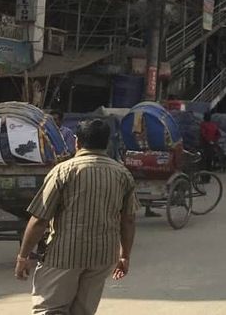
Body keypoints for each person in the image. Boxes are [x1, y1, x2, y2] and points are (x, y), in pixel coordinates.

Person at [14, 119, 137, 314]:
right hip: (102, 256)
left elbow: (40, 219)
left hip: (64, 255)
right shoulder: (122, 174)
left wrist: (23, 256)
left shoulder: (63, 171)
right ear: (106, 143)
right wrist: (125, 256)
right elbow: (128, 220)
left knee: (50, 309)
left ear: (77, 142)